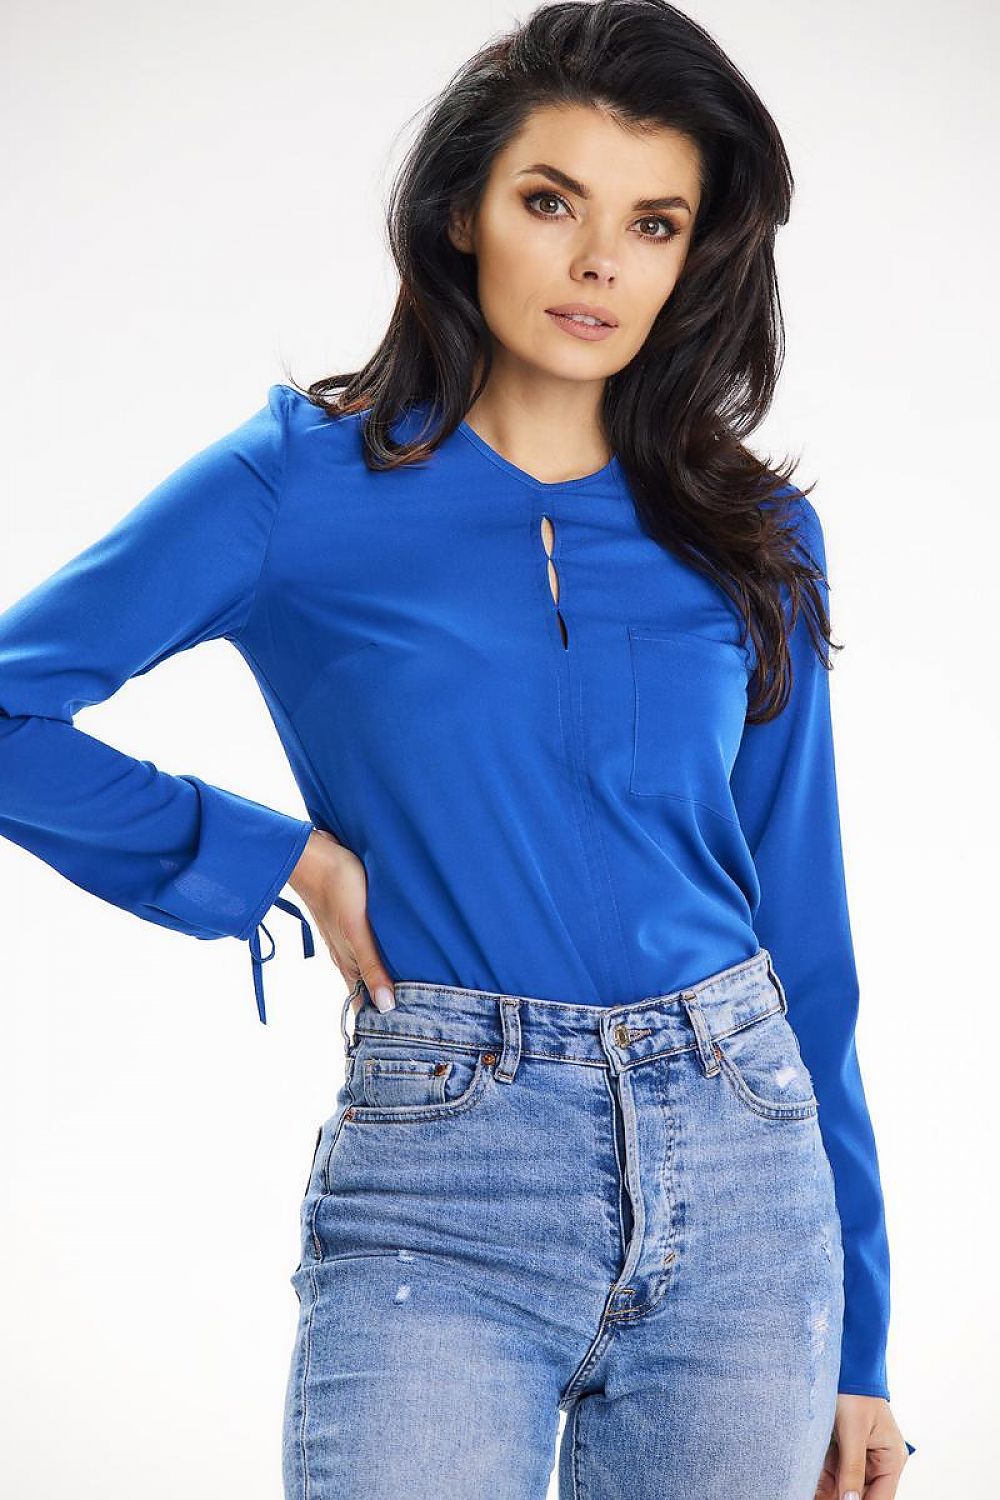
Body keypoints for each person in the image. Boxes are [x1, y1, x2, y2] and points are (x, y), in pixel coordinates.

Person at [0, 2, 916, 1495]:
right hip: (447, 1178)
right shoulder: (298, 485)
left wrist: (862, 1339)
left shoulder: (753, 531)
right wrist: (281, 859)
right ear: (459, 213)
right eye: (553, 202)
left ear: (695, 258)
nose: (600, 261)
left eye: (654, 223)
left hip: (747, 1169)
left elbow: (805, 936)